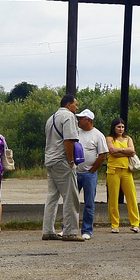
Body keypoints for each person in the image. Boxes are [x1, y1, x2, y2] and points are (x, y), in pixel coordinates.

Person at [42, 93, 85, 241]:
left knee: (52, 196)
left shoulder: (51, 118)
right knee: (70, 197)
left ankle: (47, 230)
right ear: (68, 105)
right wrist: (71, 160)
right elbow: (69, 140)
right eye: (75, 104)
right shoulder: (69, 117)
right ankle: (70, 231)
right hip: (62, 161)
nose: (76, 107)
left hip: (50, 160)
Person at [75, 108, 109, 240]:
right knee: (71, 202)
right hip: (76, 172)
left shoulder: (98, 135)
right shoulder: (76, 132)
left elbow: (102, 155)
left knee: (89, 203)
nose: (78, 120)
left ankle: (87, 230)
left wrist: (92, 170)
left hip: (89, 174)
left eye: (81, 118)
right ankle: (68, 228)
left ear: (88, 120)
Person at [105, 117, 140, 233]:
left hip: (127, 171)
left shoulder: (128, 138)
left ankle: (135, 223)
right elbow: (112, 151)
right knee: (113, 198)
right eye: (118, 127)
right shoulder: (109, 138)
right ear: (114, 127)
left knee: (131, 197)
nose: (121, 129)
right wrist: (126, 152)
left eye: (122, 127)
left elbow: (132, 151)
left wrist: (120, 150)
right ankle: (115, 225)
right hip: (113, 171)